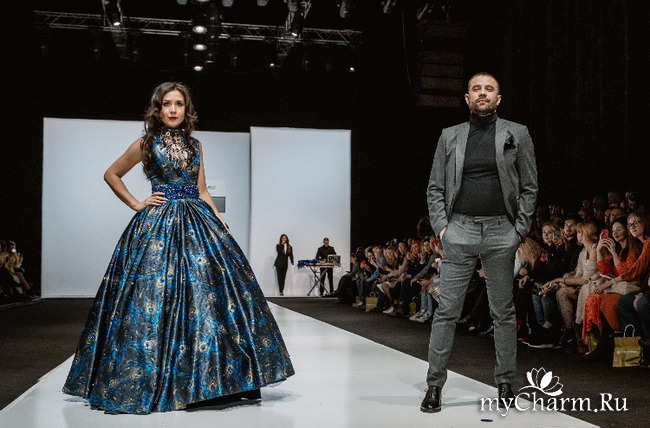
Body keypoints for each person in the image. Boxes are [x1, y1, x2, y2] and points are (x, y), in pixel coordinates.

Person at [62, 82, 294, 414]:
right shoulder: (145, 144)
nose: (173, 109)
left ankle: (217, 381)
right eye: (167, 104)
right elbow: (112, 174)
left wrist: (218, 220)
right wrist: (137, 203)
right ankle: (163, 379)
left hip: (198, 222)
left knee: (209, 298)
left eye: (179, 104)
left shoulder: (196, 145)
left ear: (187, 109)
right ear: (157, 109)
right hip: (158, 226)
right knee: (154, 299)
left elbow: (202, 190)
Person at [421, 72, 538, 413]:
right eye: (476, 89)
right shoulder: (450, 135)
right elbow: (435, 187)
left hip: (502, 231)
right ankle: (434, 386)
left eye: (489, 89)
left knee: (503, 312)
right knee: (447, 311)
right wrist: (443, 228)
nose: (482, 93)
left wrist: (519, 230)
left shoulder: (517, 133)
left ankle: (504, 384)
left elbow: (529, 186)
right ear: (467, 98)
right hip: (460, 230)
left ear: (498, 99)